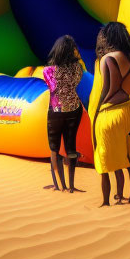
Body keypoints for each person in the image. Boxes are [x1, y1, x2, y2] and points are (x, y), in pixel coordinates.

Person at [88, 21, 130, 206]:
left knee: (104, 158)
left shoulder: (108, 58)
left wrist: (96, 116)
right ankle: (128, 197)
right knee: (124, 153)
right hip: (127, 110)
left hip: (109, 112)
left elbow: (107, 90)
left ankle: (106, 201)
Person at [41, 35, 85, 193]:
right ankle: (72, 185)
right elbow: (76, 83)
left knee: (54, 147)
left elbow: (53, 89)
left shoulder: (48, 71)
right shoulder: (78, 67)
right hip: (74, 108)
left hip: (56, 110)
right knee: (71, 146)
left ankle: (60, 185)